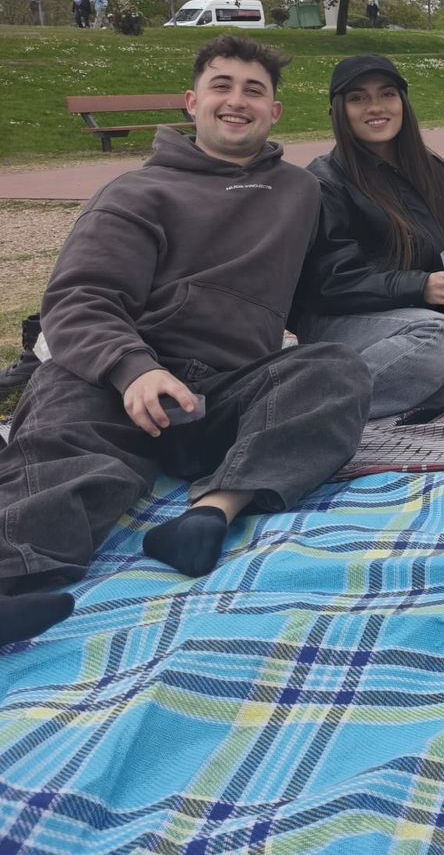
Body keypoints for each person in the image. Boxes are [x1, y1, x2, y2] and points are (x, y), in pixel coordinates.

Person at [0, 36, 372, 647]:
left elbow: (328, 279)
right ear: (192, 102)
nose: (236, 100)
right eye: (221, 86)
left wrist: (424, 289)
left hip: (227, 392)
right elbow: (78, 299)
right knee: (62, 427)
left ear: (274, 111)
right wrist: (132, 368)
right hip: (128, 384)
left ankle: (208, 514)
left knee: (337, 371)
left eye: (254, 90)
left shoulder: (299, 192)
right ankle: (12, 576)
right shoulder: (135, 193)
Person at [291, 55, 444, 417]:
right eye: (358, 98)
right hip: (337, 321)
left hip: (413, 321)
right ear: (339, 110)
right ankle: (311, 405)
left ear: (403, 102)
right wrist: (420, 286)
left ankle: (362, 402)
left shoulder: (429, 170)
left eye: (387, 94)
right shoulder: (325, 181)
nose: (376, 108)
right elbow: (330, 282)